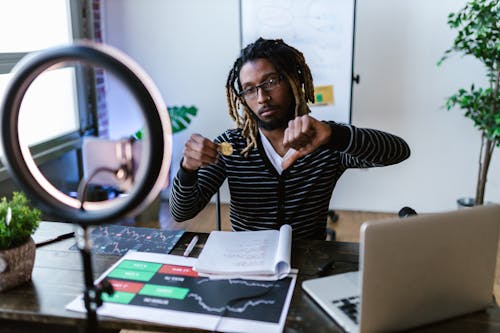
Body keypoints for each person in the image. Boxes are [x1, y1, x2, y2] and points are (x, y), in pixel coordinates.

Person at [169, 37, 410, 240]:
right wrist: (187, 169)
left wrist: (336, 135)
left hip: (309, 262)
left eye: (271, 82)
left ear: (293, 81)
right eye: (250, 89)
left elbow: (399, 151)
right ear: (242, 98)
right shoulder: (233, 146)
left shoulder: (324, 139)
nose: (261, 97)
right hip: (246, 262)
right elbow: (181, 212)